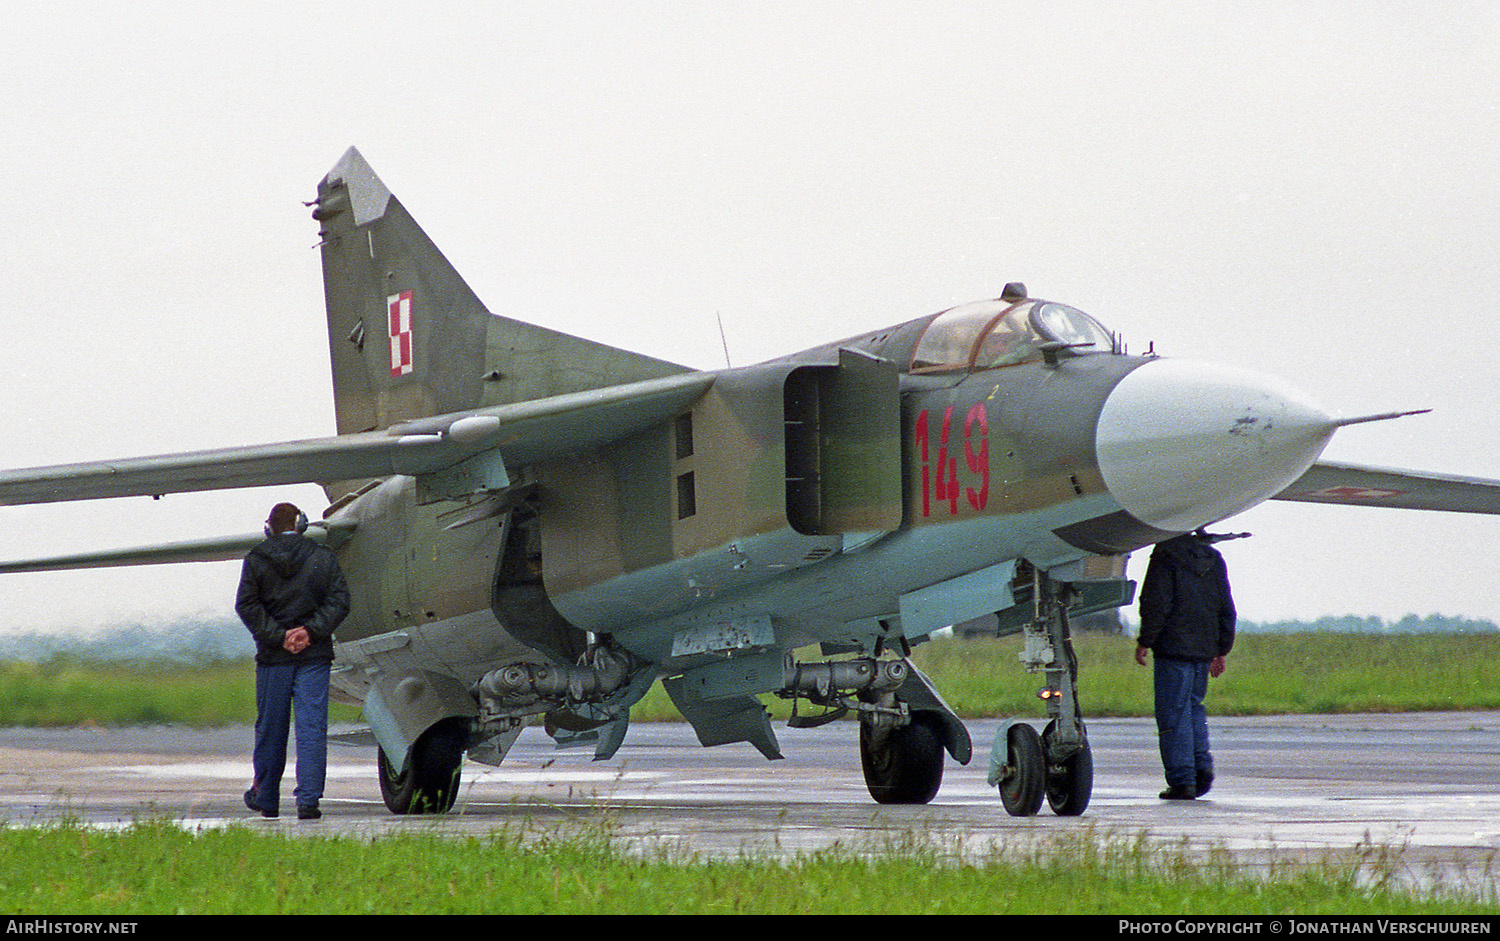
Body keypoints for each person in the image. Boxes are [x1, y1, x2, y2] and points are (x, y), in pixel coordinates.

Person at [236, 502, 349, 820]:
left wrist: (279, 636)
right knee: (311, 728)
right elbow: (340, 601)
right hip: (314, 657)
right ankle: (308, 801)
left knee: (271, 728)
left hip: (274, 659)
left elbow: (247, 605)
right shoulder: (322, 557)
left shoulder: (256, 559)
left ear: (268, 527)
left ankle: (267, 798)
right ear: (301, 525)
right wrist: (309, 633)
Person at [1134, 529, 1236, 800]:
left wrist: (1146, 640)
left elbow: (1156, 602)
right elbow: (1226, 607)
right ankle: (1201, 771)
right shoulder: (1214, 558)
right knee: (1194, 710)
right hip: (1203, 650)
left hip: (1172, 649)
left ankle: (1182, 780)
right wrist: (1221, 649)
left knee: (1173, 714)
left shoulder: (1165, 556)